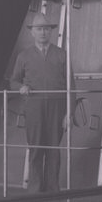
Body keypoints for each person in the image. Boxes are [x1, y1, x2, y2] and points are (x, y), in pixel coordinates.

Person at [11, 12, 68, 192]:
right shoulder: (24, 56)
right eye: (39, 29)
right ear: (32, 32)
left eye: (46, 29)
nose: (43, 32)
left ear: (50, 32)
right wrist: (20, 87)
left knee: (53, 149)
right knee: (36, 147)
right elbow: (13, 81)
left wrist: (70, 113)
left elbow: (71, 85)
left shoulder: (61, 55)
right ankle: (34, 190)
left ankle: (52, 189)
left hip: (57, 107)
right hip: (34, 106)